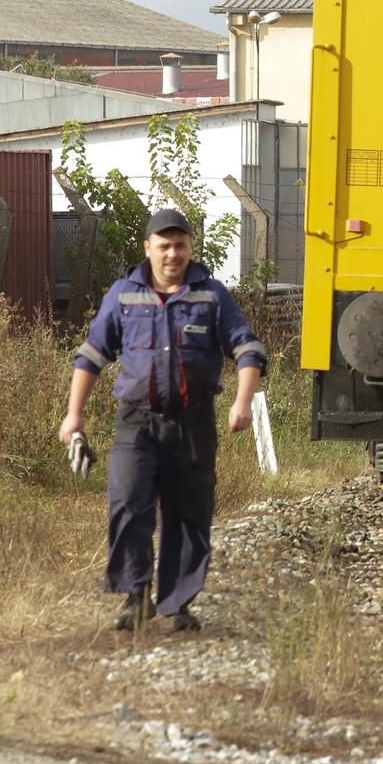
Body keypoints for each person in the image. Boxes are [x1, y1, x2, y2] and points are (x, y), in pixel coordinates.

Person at [58, 209, 266, 632]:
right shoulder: (123, 294)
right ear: (148, 248)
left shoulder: (211, 295)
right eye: (164, 245)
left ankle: (176, 604)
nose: (173, 254)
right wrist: (73, 416)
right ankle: (136, 598)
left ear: (191, 248)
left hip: (193, 423)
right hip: (136, 422)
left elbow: (247, 349)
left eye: (180, 245)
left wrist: (242, 403)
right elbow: (92, 355)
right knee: (128, 504)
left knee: (188, 514)